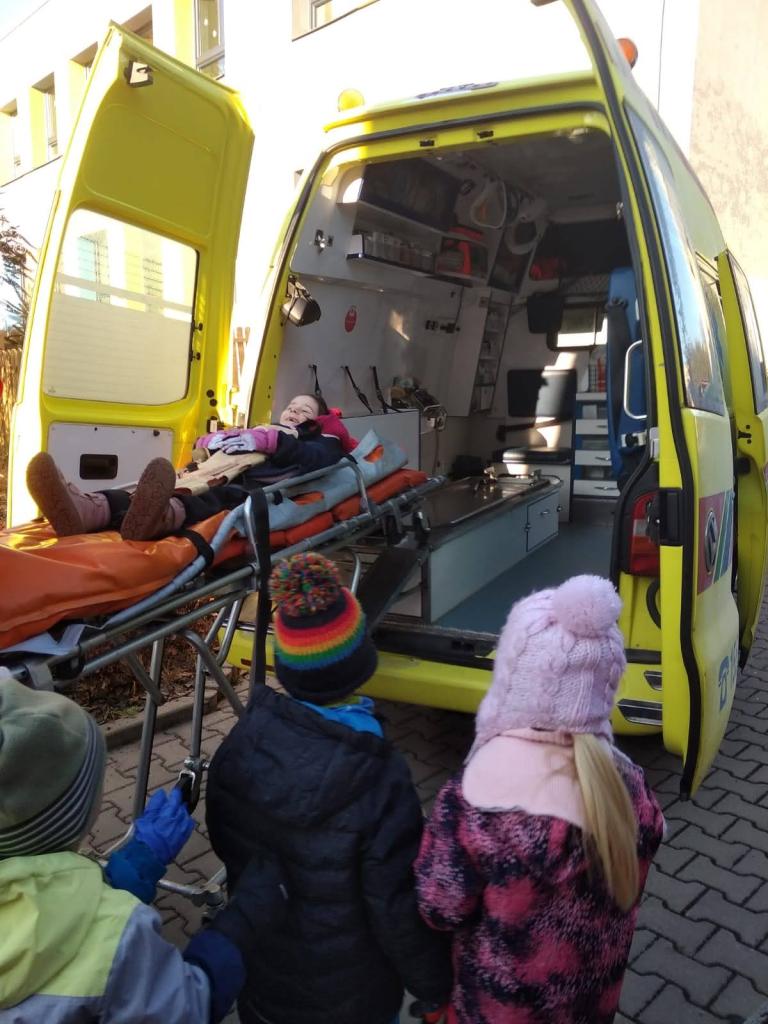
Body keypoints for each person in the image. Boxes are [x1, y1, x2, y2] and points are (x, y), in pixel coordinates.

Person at [205, 552, 453, 1024]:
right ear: (360, 663)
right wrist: (434, 987)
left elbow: (225, 839)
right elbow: (397, 905)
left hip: (262, 984)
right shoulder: (379, 776)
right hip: (354, 1000)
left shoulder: (242, 740)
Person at [413, 575, 665, 1024]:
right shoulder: (631, 791)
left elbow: (439, 906)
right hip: (589, 1007)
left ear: (515, 681)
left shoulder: (475, 802)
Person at [0, 673, 288, 1023]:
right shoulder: (118, 940)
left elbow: (49, 917)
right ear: (69, 818)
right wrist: (243, 921)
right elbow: (189, 1005)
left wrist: (134, 866)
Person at [25, 394, 357, 542]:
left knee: (217, 499)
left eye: (304, 410)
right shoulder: (259, 429)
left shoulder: (318, 440)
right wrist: (214, 440)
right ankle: (88, 510)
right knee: (157, 487)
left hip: (252, 489)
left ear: (317, 420)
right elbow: (207, 451)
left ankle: (159, 518)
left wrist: (274, 442)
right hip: (211, 473)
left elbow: (321, 461)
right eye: (291, 406)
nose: (294, 412)